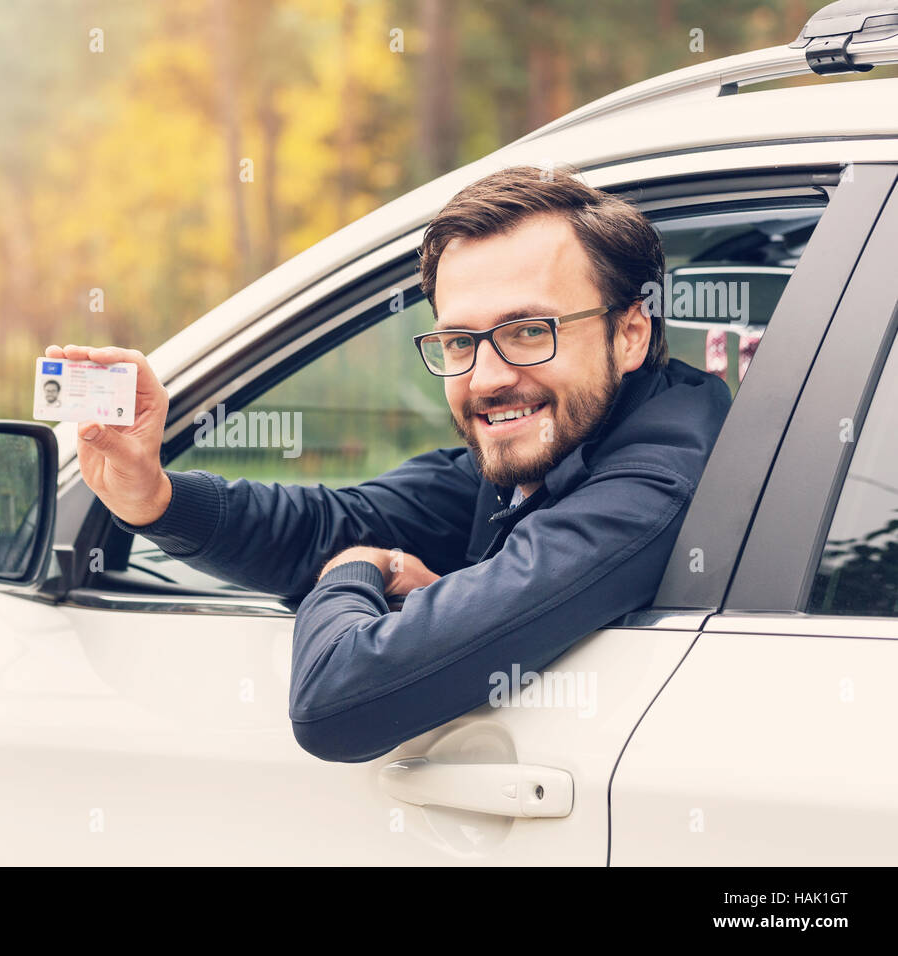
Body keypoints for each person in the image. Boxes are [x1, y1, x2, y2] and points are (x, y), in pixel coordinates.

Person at [44, 166, 732, 763]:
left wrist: (358, 569)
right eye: (460, 341)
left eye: (528, 331)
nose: (487, 378)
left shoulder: (652, 484)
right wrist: (153, 496)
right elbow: (334, 522)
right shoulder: (559, 440)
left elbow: (337, 700)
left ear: (631, 332)